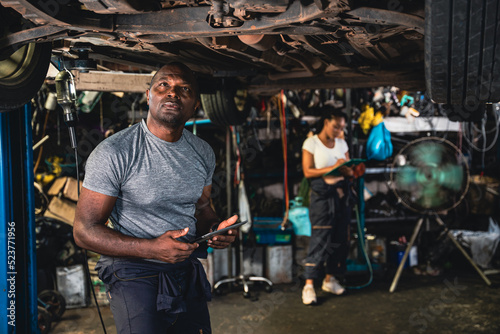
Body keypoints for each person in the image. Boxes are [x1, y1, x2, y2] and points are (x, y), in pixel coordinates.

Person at [73, 62, 239, 333]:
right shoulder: (115, 152)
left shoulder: (203, 152)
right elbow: (83, 232)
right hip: (132, 271)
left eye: (183, 89)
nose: (173, 93)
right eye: (164, 85)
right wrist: (152, 248)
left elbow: (203, 207)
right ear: (148, 95)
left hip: (183, 267)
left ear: (195, 103)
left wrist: (215, 230)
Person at [301, 107, 354, 305]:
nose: (339, 130)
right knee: (320, 239)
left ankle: (330, 279)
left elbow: (348, 167)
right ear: (326, 122)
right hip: (322, 199)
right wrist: (333, 167)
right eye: (335, 126)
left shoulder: (341, 143)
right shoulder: (311, 142)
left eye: (342, 127)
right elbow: (308, 171)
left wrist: (349, 169)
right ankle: (308, 286)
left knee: (339, 239)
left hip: (341, 197)